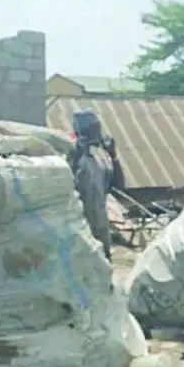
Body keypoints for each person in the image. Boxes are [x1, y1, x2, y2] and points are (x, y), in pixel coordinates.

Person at [68, 109, 124, 260]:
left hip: (100, 226)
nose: (96, 132)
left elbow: (119, 186)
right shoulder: (70, 154)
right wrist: (79, 152)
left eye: (97, 127)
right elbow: (68, 181)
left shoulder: (100, 158)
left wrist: (113, 155)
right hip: (79, 226)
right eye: (92, 128)